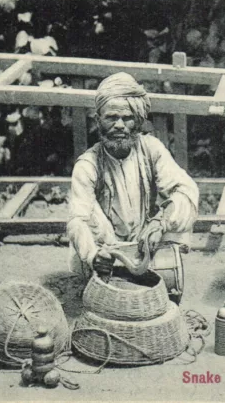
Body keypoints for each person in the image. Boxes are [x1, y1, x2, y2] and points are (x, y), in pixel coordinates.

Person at [67, 72, 199, 282]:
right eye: (111, 117)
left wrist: (160, 223)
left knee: (182, 203)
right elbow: (77, 221)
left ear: (137, 122)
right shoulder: (88, 164)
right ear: (98, 120)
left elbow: (186, 190)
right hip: (106, 245)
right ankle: (102, 269)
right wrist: (93, 255)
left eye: (127, 118)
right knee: (81, 222)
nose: (119, 125)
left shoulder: (151, 149)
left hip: (146, 239)